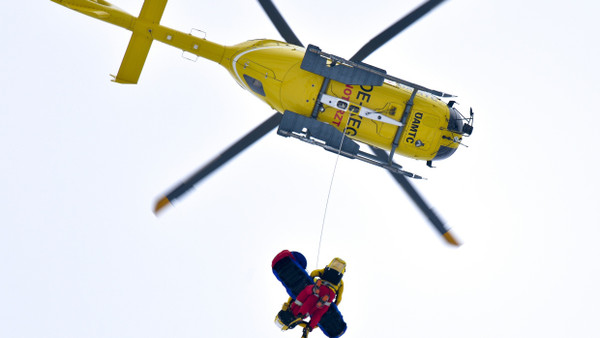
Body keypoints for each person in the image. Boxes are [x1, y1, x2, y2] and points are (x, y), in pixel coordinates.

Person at [287, 257, 347, 336]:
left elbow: (314, 273)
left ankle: (301, 314)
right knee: (319, 313)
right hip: (330, 294)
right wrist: (333, 305)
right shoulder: (340, 282)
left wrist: (312, 280)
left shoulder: (325, 270)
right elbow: (339, 298)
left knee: (310, 301)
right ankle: (309, 327)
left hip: (321, 287)